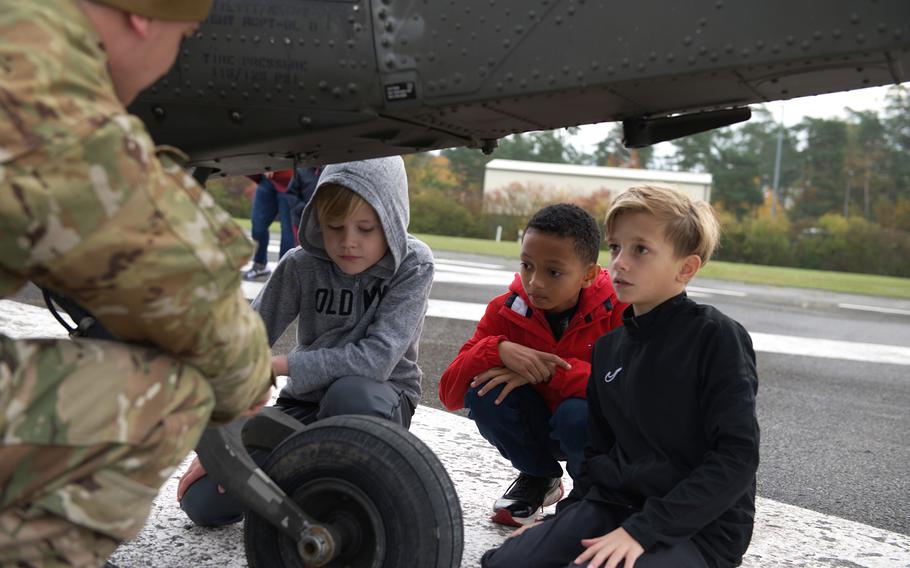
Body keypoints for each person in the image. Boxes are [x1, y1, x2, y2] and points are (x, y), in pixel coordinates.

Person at [0, 1, 274, 566]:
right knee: (165, 400)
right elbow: (176, 277)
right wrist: (248, 380)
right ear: (145, 18)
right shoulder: (33, 60)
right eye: (184, 35)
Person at [481, 185, 760, 568]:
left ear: (686, 268)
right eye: (615, 248)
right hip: (614, 506)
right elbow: (599, 458)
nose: (620, 263)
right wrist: (562, 522)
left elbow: (737, 457)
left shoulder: (716, 337)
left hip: (697, 528)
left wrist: (642, 531)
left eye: (640, 250)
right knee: (506, 562)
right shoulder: (610, 348)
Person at [177, 157, 435, 526]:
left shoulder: (413, 264)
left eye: (366, 228)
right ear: (316, 220)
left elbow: (376, 361)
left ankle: (342, 491)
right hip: (304, 402)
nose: (348, 242)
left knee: (350, 395)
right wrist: (220, 440)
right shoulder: (301, 264)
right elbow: (245, 341)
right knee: (204, 503)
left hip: (378, 399)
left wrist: (278, 365)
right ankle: (306, 480)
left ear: (392, 223)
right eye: (334, 227)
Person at [439, 204, 625, 527]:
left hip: (598, 437)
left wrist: (546, 371)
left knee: (576, 414)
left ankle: (592, 493)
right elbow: (449, 394)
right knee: (484, 392)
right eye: (527, 265)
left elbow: (629, 391)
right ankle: (539, 477)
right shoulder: (507, 310)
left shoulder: (619, 309)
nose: (534, 282)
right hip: (542, 428)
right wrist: (497, 350)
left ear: (589, 275)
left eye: (553, 272)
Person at [243, 169, 296, 280]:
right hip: (267, 178)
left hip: (290, 179)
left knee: (288, 232)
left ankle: (283, 274)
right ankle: (260, 265)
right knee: (258, 225)